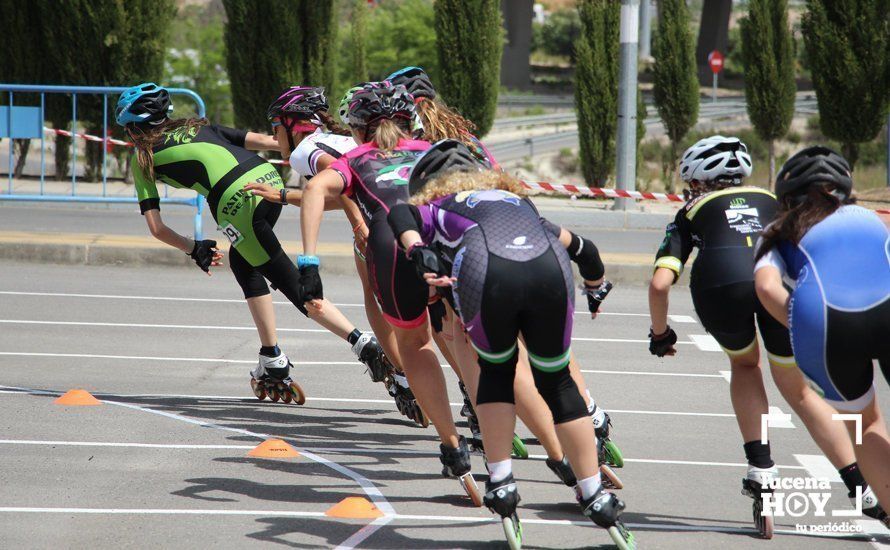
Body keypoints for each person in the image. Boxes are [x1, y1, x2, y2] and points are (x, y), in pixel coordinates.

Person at [388, 139, 635, 550]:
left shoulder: (440, 206)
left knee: (498, 373)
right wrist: (595, 288)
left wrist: (417, 250)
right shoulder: (519, 203)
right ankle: (594, 492)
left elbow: (400, 214)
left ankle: (501, 482)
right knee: (558, 382)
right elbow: (587, 252)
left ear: (430, 183)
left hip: (488, 267)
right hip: (548, 267)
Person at [387, 66, 624, 473]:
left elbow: (407, 208)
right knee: (545, 343)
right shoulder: (467, 137)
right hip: (522, 230)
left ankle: (491, 418)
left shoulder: (413, 144)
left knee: (465, 339)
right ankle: (590, 411)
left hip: (463, 246)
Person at [648, 136, 887, 537]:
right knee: (799, 389)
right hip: (796, 289)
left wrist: (660, 334)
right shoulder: (777, 201)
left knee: (745, 365)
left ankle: (760, 466)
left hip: (719, 285)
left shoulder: (690, 210)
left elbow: (658, 284)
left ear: (701, 183)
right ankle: (861, 485)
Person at [115, 82, 391, 405]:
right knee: (243, 260)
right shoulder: (197, 126)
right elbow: (272, 142)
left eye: (126, 130)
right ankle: (271, 356)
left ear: (135, 128)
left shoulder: (142, 157)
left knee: (296, 288)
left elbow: (156, 228)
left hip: (234, 202)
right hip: (266, 179)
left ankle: (362, 344)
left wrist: (193, 248)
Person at [293, 82, 483, 505]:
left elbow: (312, 191)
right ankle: (557, 443)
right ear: (408, 121)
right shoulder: (432, 149)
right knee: (472, 341)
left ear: (358, 129)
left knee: (416, 345)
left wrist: (309, 263)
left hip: (391, 244)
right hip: (450, 241)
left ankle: (452, 445)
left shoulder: (352, 157)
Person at [245, 85, 425, 425]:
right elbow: (334, 191)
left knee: (377, 306)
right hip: (411, 216)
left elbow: (341, 176)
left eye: (275, 127)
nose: (273, 135)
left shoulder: (305, 151)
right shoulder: (334, 137)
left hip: (377, 226)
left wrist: (358, 223)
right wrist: (284, 196)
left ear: (293, 125)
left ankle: (403, 375)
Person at [754, 146, 890, 520]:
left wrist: (801, 326)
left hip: (824, 320)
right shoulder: (869, 216)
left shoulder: (777, 233)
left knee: (866, 423)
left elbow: (766, 288)